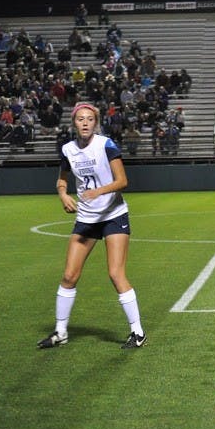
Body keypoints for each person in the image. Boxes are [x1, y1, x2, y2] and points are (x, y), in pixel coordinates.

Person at [37, 102, 147, 349]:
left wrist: (99, 191)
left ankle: (138, 332)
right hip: (86, 219)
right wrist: (63, 194)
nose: (85, 123)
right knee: (69, 276)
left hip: (113, 215)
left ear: (95, 122)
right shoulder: (68, 150)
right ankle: (60, 332)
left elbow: (122, 181)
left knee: (116, 273)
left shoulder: (106, 145)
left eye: (89, 119)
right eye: (80, 119)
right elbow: (62, 180)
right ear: (74, 123)